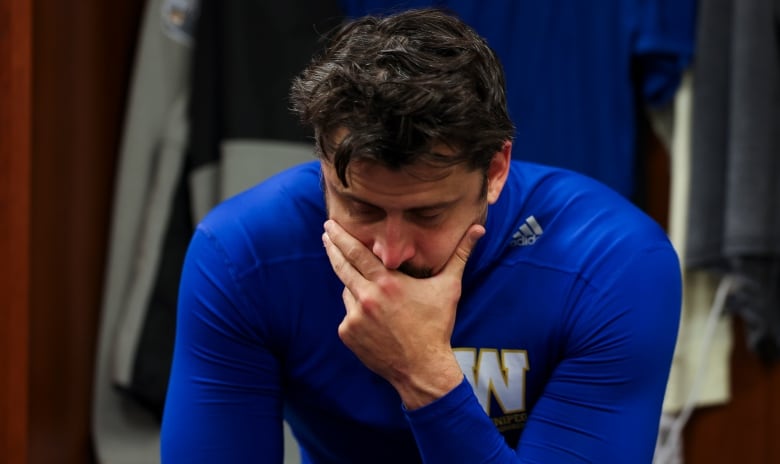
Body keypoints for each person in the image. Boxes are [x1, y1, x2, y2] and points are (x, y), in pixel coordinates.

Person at [160, 8, 681, 463]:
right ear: (322, 163)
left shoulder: (611, 263)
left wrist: (424, 376)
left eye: (428, 214)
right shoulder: (242, 255)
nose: (390, 251)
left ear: (496, 169)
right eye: (361, 207)